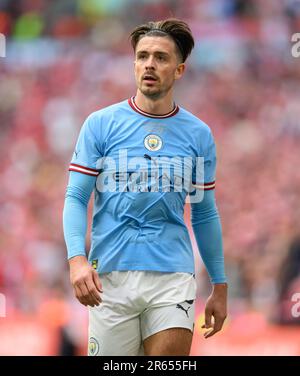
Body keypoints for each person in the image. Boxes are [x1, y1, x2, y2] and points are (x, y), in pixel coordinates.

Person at [63, 18, 228, 356]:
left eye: (161, 57)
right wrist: (77, 260)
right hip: (109, 274)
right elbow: (77, 197)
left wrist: (220, 285)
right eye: (142, 56)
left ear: (179, 70)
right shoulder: (101, 125)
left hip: (172, 275)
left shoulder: (198, 135)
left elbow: (204, 213)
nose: (149, 64)